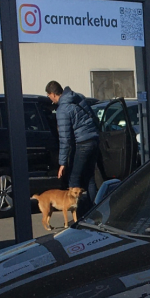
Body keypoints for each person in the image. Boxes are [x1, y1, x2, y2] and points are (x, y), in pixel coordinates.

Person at [46, 80, 99, 211]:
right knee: (89, 177)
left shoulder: (62, 110)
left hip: (82, 143)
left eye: (49, 96)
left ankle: (79, 215)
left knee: (74, 179)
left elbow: (65, 138)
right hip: (94, 138)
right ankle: (96, 210)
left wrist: (62, 163)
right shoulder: (78, 97)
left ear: (53, 94)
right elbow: (93, 116)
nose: (50, 100)